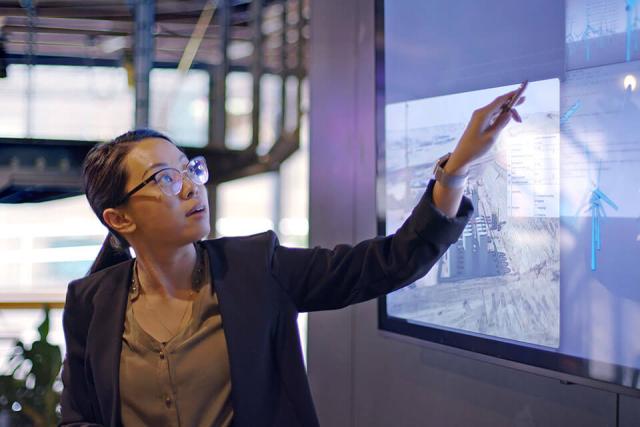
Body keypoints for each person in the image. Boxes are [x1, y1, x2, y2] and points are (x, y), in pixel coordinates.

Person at [59, 90, 524, 427]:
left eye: (189, 168)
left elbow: (391, 261)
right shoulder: (91, 301)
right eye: (164, 178)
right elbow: (78, 417)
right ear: (119, 219)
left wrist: (456, 170)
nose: (190, 185)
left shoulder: (255, 268)